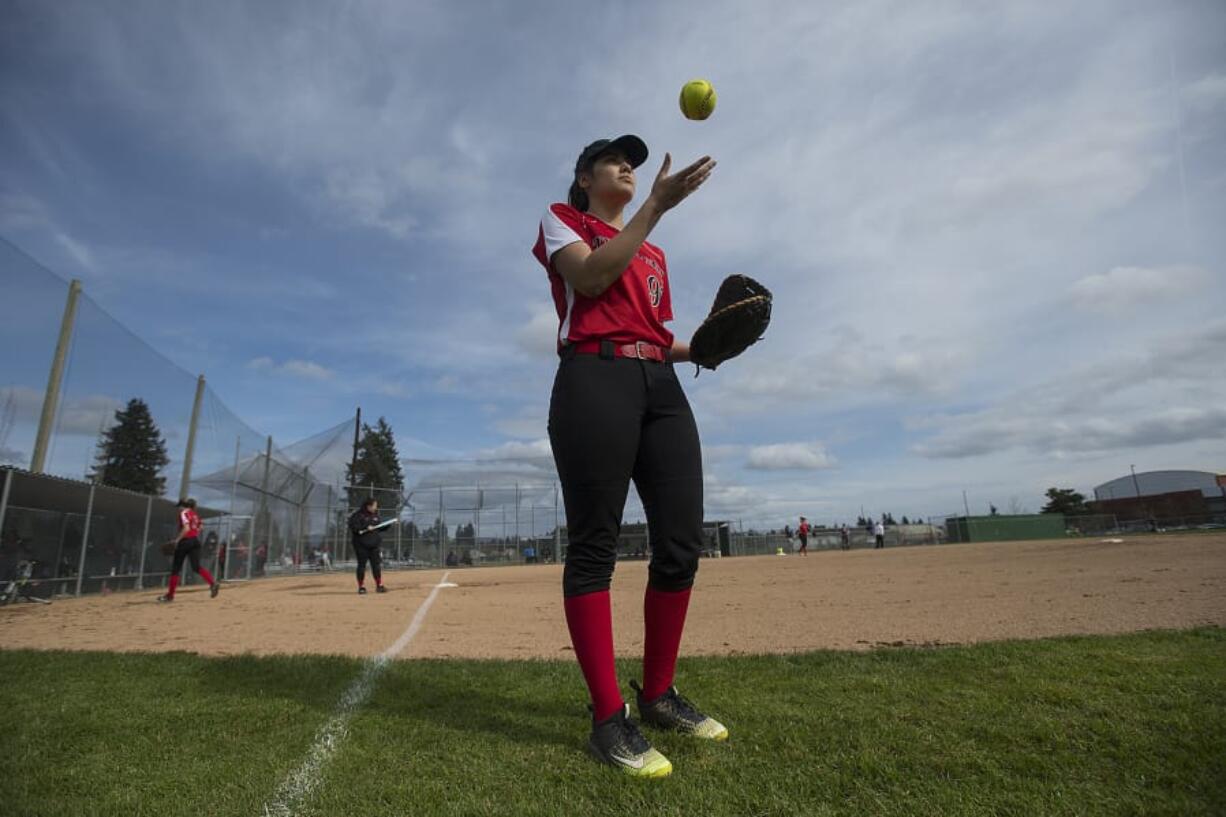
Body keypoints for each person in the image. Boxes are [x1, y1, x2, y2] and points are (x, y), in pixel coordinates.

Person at [532, 134, 725, 778]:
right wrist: (657, 208)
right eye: (615, 159)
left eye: (635, 162)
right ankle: (608, 718)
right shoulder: (563, 221)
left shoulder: (654, 253)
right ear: (584, 177)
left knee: (681, 540)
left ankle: (659, 694)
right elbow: (590, 277)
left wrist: (698, 349)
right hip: (593, 379)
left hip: (659, 386)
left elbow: (654, 335)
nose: (629, 167)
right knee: (596, 545)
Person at [158, 498, 220, 602]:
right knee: (196, 567)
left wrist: (177, 540)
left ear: (184, 506)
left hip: (185, 542)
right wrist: (195, 531)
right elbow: (201, 527)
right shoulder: (194, 514)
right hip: (195, 541)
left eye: (180, 506)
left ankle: (170, 595)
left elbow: (186, 528)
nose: (179, 509)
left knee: (176, 569)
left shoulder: (184, 513)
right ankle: (212, 583)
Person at [348, 498, 387, 594]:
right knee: (361, 566)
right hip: (361, 545)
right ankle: (361, 587)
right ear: (368, 506)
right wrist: (365, 527)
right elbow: (354, 527)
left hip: (374, 545)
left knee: (376, 566)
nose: (376, 508)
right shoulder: (357, 515)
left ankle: (379, 585)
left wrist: (388, 525)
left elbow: (379, 528)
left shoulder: (375, 516)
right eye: (374, 506)